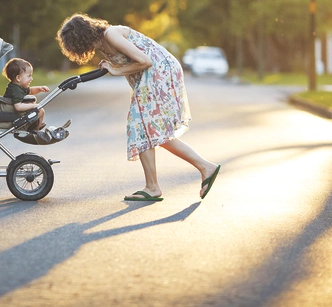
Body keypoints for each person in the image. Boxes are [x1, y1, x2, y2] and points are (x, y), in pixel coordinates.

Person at [56, 13, 221, 201]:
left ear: (82, 38)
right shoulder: (102, 43)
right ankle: (201, 169)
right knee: (151, 131)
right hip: (152, 75)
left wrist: (116, 70)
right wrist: (112, 65)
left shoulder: (110, 35)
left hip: (160, 72)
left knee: (141, 126)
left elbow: (145, 61)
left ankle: (155, 186)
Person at [2, 58, 70, 144]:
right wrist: (33, 106)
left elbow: (30, 90)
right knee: (40, 111)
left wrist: (39, 88)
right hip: (14, 114)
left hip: (15, 113)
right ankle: (36, 129)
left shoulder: (18, 87)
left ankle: (37, 126)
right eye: (29, 76)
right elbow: (18, 106)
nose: (31, 79)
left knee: (40, 110)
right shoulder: (15, 90)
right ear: (18, 78)